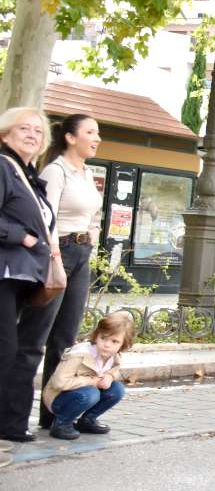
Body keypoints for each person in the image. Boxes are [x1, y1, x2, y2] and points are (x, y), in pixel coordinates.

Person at [32, 113, 104, 430]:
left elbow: (92, 218)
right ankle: (15, 414)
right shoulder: (56, 170)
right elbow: (45, 219)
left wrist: (93, 249)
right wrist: (57, 259)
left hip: (82, 254)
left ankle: (54, 415)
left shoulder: (87, 173)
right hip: (57, 253)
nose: (97, 138)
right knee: (38, 335)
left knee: (65, 340)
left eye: (98, 132)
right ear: (71, 138)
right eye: (91, 132)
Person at [0, 107, 57, 444]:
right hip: (4, 273)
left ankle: (8, 422)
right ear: (5, 133)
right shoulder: (3, 167)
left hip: (21, 276)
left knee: (12, 350)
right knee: (5, 349)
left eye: (38, 131)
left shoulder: (28, 174)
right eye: (25, 128)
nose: (33, 135)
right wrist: (18, 236)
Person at [42, 312, 132, 440]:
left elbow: (114, 370)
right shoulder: (79, 354)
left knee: (117, 389)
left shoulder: (113, 355)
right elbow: (59, 382)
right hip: (58, 399)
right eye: (103, 338)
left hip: (82, 393)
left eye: (114, 341)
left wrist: (110, 377)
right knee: (91, 393)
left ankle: (87, 421)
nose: (107, 345)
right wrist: (91, 381)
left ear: (123, 345)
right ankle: (61, 424)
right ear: (96, 336)